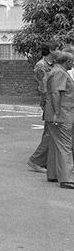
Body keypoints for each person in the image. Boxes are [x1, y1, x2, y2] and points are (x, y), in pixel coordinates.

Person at [43, 50, 74, 189]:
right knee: (65, 146)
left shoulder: (55, 71)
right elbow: (56, 93)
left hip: (57, 113)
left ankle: (53, 174)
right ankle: (67, 178)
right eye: (71, 62)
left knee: (56, 144)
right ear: (66, 61)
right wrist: (57, 113)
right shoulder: (60, 73)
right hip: (62, 114)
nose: (72, 64)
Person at [28, 43, 55, 172]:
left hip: (53, 99)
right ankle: (36, 160)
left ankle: (44, 160)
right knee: (50, 132)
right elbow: (43, 86)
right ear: (51, 50)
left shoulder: (52, 64)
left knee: (51, 132)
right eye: (57, 49)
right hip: (49, 100)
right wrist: (47, 102)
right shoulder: (41, 65)